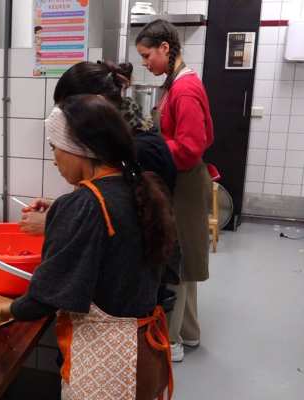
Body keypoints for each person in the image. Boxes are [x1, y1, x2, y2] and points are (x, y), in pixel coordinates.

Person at [0, 95, 176, 399]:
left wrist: (3, 310)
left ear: (81, 149)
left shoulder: (85, 205)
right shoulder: (139, 187)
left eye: (54, 147)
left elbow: (45, 296)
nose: (53, 159)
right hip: (144, 351)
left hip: (109, 367)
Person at [19, 60, 176, 235]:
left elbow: (123, 223)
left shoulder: (140, 150)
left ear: (96, 104)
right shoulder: (119, 138)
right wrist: (62, 208)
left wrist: (54, 223)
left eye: (70, 110)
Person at [135, 19, 213, 363]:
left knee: (176, 260)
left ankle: (172, 342)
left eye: (147, 55)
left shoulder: (184, 89)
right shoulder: (178, 82)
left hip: (185, 181)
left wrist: (152, 148)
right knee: (186, 259)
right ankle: (191, 333)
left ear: (165, 49)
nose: (145, 62)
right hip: (183, 178)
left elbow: (192, 146)